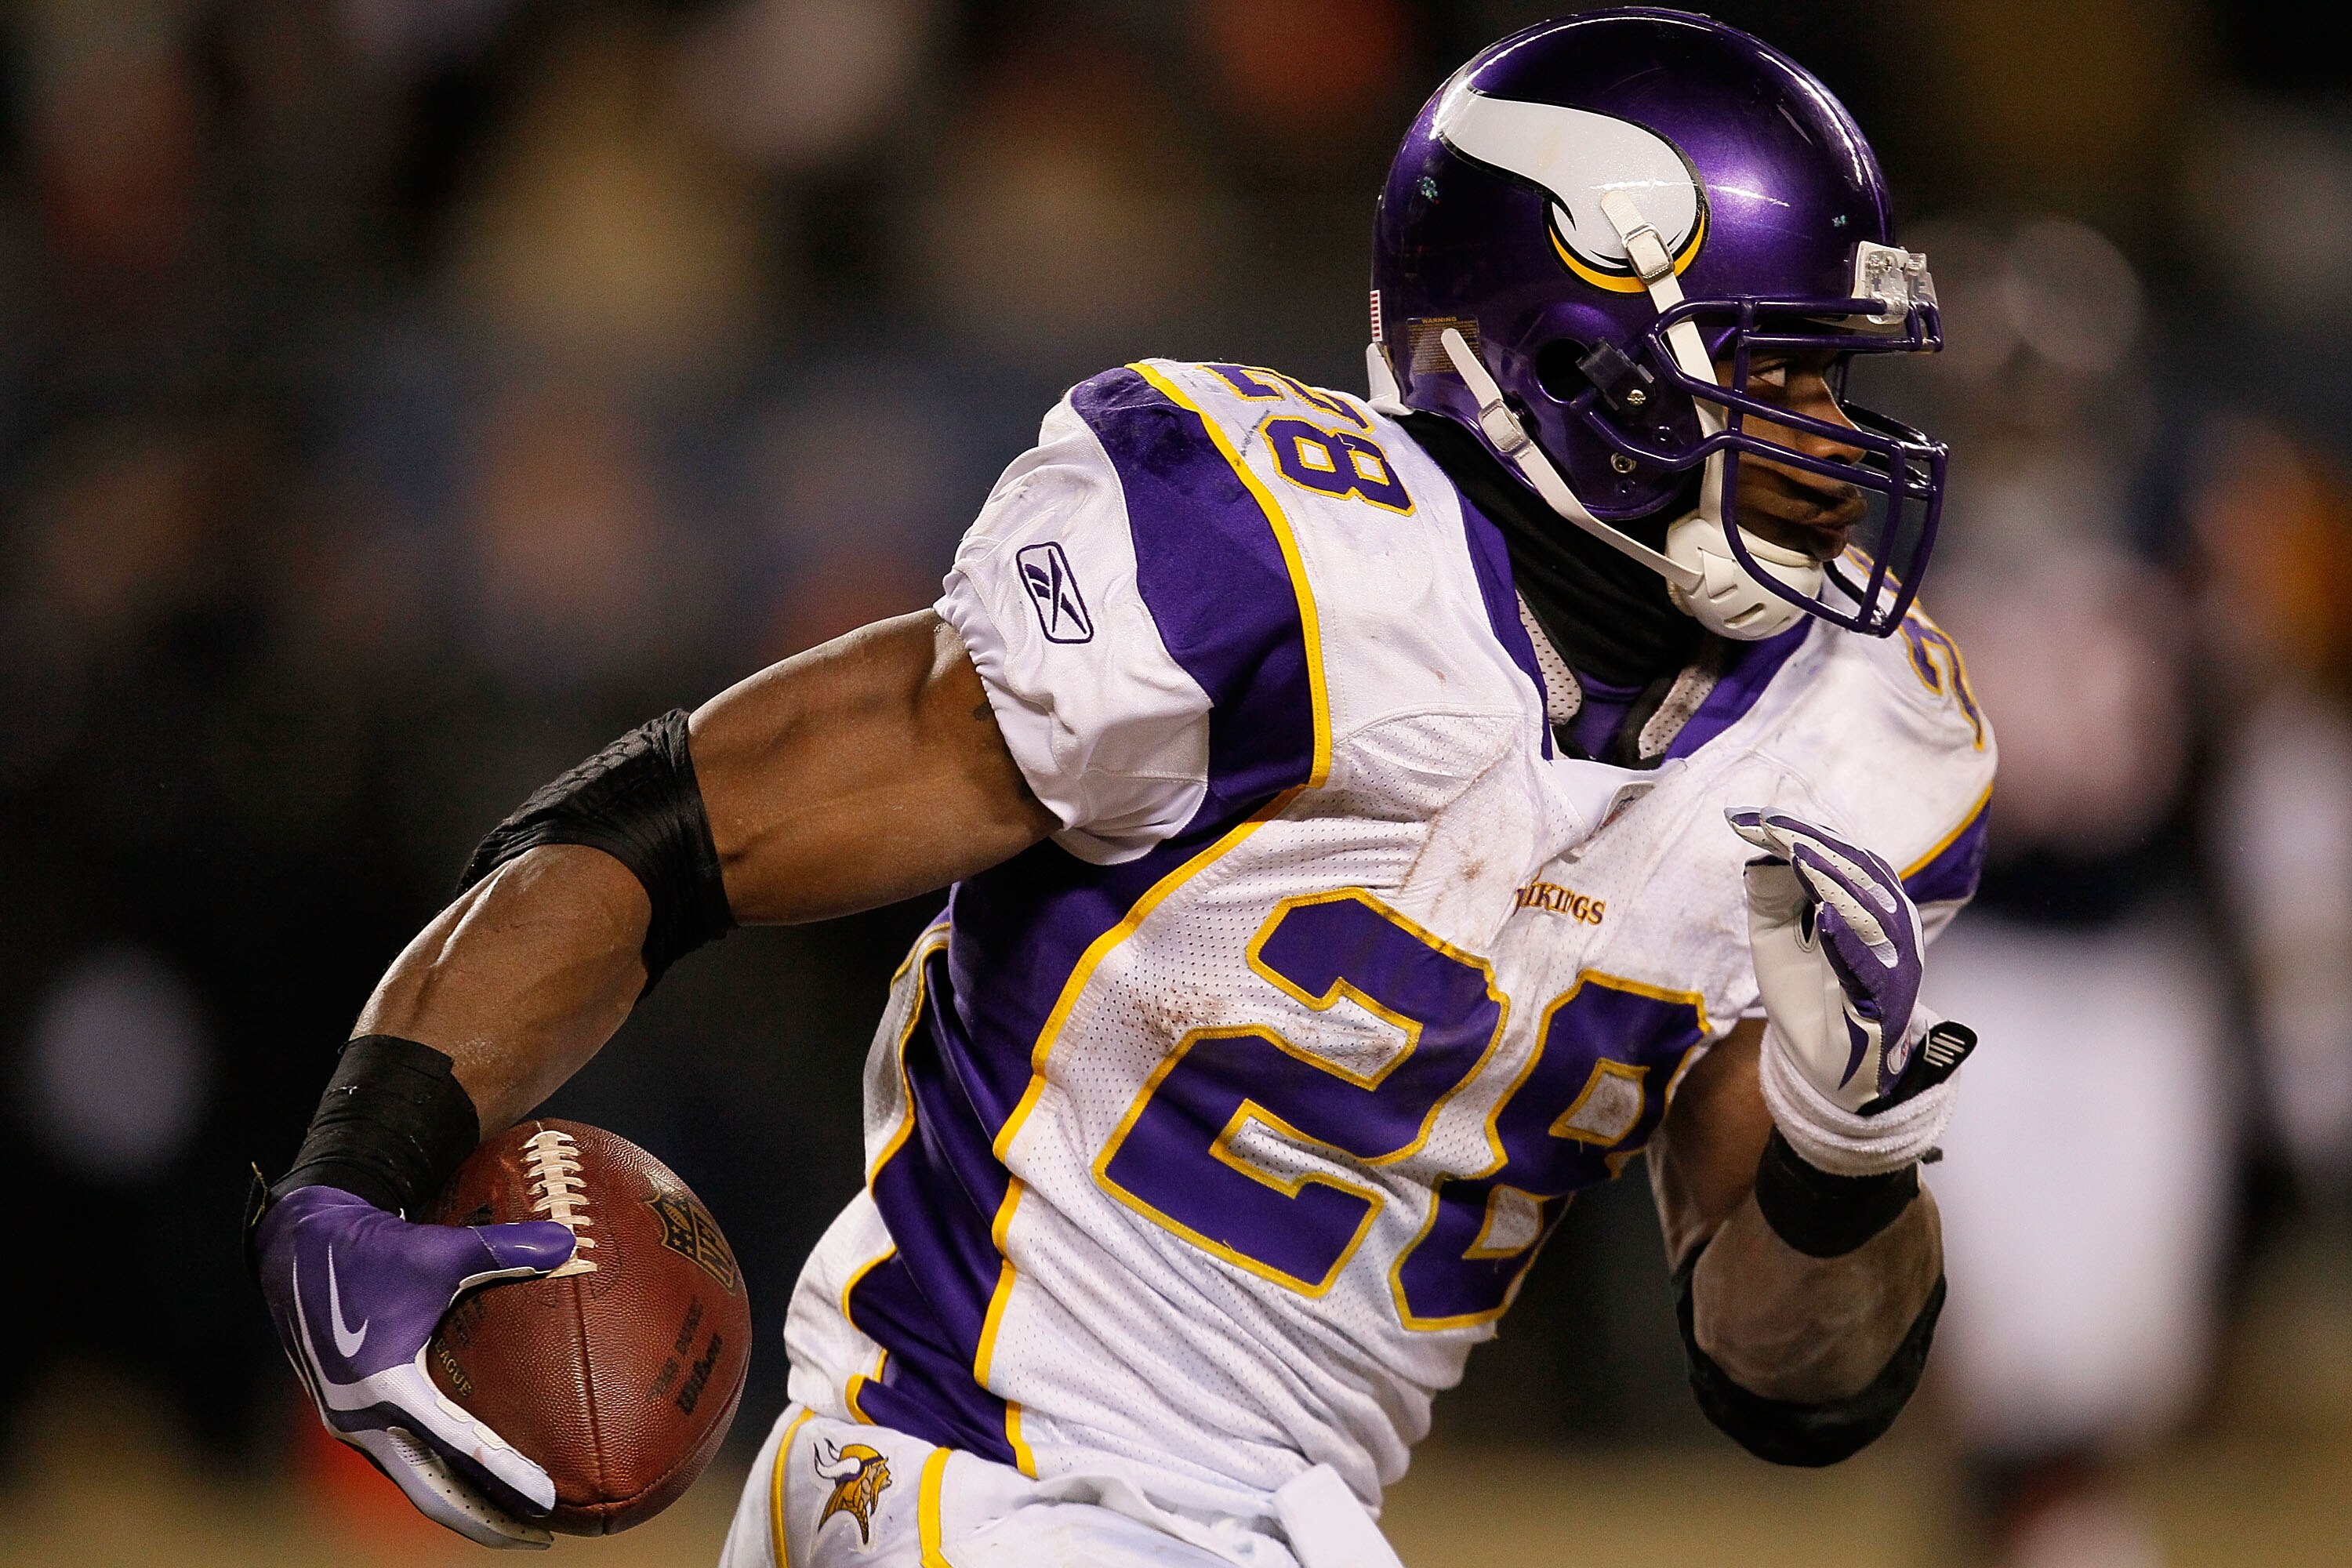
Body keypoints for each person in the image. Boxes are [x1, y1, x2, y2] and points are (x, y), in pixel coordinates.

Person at [246, 13, 1994, 1566]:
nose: (1833, 448)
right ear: (1568, 360)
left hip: (1282, 1522)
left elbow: (1791, 1386)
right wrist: (356, 1165)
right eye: (1775, 376)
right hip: (958, 1477)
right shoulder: (1267, 551)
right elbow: (674, 831)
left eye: (1837, 385)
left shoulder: (1860, 744)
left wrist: (1845, 1166)